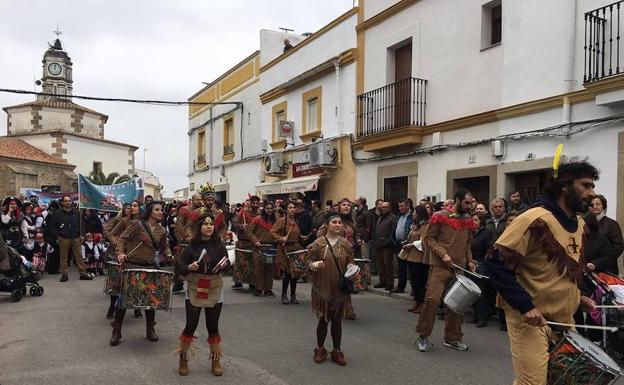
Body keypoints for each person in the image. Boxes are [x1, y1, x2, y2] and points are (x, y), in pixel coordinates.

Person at [486, 161, 598, 385]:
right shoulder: (533, 218)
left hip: (564, 320)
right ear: (565, 186)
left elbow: (570, 268)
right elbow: (495, 262)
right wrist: (525, 305)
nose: (592, 193)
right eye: (585, 185)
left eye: (592, 186)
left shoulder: (579, 225)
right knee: (533, 383)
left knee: (565, 380)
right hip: (531, 320)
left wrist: (579, 295)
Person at [416, 189, 476, 352]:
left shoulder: (469, 220)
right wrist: (443, 254)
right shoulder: (439, 216)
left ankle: (452, 338)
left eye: (471, 203)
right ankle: (423, 335)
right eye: (467, 203)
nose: (470, 206)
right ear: (457, 200)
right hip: (439, 267)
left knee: (457, 306)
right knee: (432, 300)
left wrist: (470, 261)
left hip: (459, 269)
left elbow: (468, 244)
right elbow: (428, 238)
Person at [109, 201, 173, 346]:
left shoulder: (162, 231)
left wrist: (170, 256)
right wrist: (120, 253)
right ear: (150, 211)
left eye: (161, 210)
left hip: (149, 266)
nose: (161, 212)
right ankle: (116, 330)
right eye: (157, 210)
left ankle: (150, 328)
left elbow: (165, 248)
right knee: (123, 299)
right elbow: (122, 239)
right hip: (131, 265)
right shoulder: (137, 224)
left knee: (150, 300)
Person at [176, 213, 230, 377]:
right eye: (205, 224)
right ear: (199, 227)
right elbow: (180, 267)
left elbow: (227, 264)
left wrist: (224, 265)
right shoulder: (190, 247)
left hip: (214, 286)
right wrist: (189, 267)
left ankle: (215, 360)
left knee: (213, 326)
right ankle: (183, 359)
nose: (209, 226)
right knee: (191, 325)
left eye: (211, 224)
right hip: (195, 285)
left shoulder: (219, 245)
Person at [308, 212, 354, 366]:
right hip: (323, 287)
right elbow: (308, 261)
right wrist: (314, 265)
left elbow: (351, 262)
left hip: (340, 288)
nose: (337, 224)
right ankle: (320, 349)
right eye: (334, 222)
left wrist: (352, 268)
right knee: (323, 319)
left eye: (340, 222)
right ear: (327, 225)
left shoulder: (346, 244)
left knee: (337, 320)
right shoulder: (318, 243)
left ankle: (336, 350)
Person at [47, 195, 92, 282]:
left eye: (69, 201)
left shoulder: (76, 212)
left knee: (79, 256)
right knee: (63, 258)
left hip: (76, 237)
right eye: (66, 201)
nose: (68, 202)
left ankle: (83, 273)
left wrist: (82, 235)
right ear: (62, 202)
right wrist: (57, 237)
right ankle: (64, 274)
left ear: (71, 202)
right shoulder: (57, 213)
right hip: (63, 238)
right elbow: (52, 227)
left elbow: (81, 224)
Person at [271, 201, 304, 304]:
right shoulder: (281, 221)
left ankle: (293, 295)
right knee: (288, 273)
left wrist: (302, 237)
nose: (293, 209)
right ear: (286, 210)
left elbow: (297, 234)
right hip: (285, 249)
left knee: (295, 272)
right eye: (290, 207)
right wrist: (281, 238)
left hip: (295, 249)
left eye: (294, 207)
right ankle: (284, 295)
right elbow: (272, 232)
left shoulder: (296, 221)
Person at [467, 212, 494, 327]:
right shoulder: (470, 233)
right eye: (472, 220)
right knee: (473, 292)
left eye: (476, 220)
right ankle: (475, 315)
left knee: (481, 292)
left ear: (482, 222)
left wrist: (480, 262)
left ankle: (483, 317)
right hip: (469, 264)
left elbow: (489, 251)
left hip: (481, 265)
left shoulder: (487, 233)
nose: (473, 222)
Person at [401, 205, 429, 313]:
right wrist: (406, 242)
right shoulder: (415, 226)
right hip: (411, 257)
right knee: (414, 281)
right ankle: (417, 301)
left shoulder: (426, 226)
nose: (413, 214)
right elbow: (411, 237)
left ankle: (422, 302)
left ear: (420, 214)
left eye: (414, 212)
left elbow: (424, 241)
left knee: (420, 281)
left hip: (419, 258)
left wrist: (412, 245)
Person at [231, 195, 261, 290]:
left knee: (252, 263)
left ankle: (252, 282)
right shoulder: (243, 213)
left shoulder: (260, 214)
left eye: (257, 203)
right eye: (254, 203)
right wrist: (242, 226)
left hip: (254, 242)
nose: (255, 205)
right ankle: (238, 282)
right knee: (240, 263)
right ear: (250, 203)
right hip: (243, 241)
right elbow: (234, 223)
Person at [589, 194, 623, 274]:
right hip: (587, 271)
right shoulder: (584, 224)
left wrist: (597, 263)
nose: (594, 206)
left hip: (607, 270)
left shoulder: (612, 224)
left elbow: (618, 247)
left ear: (603, 206)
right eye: (592, 204)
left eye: (598, 204)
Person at [248, 201, 277, 297]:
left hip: (271, 248)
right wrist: (255, 241)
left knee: (269, 269)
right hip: (259, 247)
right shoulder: (257, 219)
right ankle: (259, 289)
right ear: (264, 209)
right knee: (258, 269)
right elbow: (249, 232)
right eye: (267, 208)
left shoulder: (276, 220)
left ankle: (268, 289)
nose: (269, 210)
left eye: (271, 208)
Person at [373, 202, 396, 290]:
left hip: (387, 245)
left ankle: (390, 283)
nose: (383, 209)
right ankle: (382, 281)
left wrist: (387, 241)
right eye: (382, 207)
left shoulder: (392, 218)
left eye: (385, 207)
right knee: (381, 265)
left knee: (388, 265)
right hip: (378, 244)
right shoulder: (380, 217)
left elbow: (393, 232)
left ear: (389, 208)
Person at [392, 199, 414, 294]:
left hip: (408, 245)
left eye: (402, 206)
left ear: (408, 206)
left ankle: (414, 289)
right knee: (401, 267)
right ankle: (401, 286)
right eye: (399, 206)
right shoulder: (399, 216)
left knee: (412, 268)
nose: (400, 208)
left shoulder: (412, 216)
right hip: (398, 244)